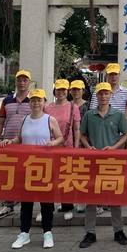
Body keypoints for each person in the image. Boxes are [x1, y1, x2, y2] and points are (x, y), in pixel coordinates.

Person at [0, 88, 64, 249]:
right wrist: (10, 142)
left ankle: (47, 232)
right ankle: (24, 233)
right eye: (33, 100)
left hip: (45, 166)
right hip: (27, 166)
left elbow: (60, 137)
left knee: (46, 202)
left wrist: (53, 142)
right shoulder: (24, 120)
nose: (36, 103)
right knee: (26, 203)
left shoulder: (49, 119)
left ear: (44, 102)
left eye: (39, 100)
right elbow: (19, 138)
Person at [78, 82, 127, 248]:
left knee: (115, 198)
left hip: (113, 162)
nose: (103, 96)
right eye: (100, 93)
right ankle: (90, 232)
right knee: (91, 199)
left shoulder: (118, 115)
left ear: (110, 95)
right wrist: (88, 147)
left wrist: (115, 148)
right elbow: (82, 134)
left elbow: (126, 134)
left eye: (106, 93)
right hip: (93, 162)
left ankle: (118, 230)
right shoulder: (89, 115)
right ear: (96, 95)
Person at [0, 70, 32, 219]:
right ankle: (8, 205)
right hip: (8, 143)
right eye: (19, 80)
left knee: (27, 174)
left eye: (25, 80)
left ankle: (27, 206)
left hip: (27, 144)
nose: (22, 83)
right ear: (15, 82)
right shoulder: (7, 101)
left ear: (29, 82)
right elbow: (0, 122)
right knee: (8, 175)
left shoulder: (34, 100)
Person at [44, 79, 81, 221]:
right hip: (51, 147)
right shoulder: (48, 108)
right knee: (49, 177)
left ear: (68, 91)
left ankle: (67, 206)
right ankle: (47, 207)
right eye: (58, 90)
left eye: (64, 90)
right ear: (55, 91)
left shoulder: (73, 107)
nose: (61, 92)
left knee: (67, 177)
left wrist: (76, 147)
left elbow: (76, 129)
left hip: (67, 147)